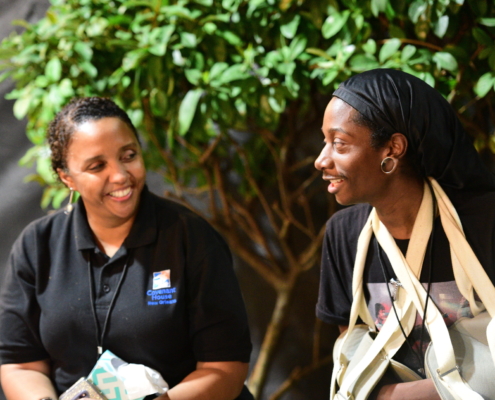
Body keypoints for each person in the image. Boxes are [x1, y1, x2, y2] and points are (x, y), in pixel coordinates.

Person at [0, 97, 254, 400]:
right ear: (66, 177)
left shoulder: (191, 238)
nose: (120, 175)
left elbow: (225, 368)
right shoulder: (36, 246)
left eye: (129, 155)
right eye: (97, 166)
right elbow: (20, 364)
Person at [314, 69, 495, 400]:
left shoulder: (484, 225)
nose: (320, 160)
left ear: (392, 149)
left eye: (339, 143)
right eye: (325, 142)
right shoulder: (345, 235)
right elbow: (356, 362)